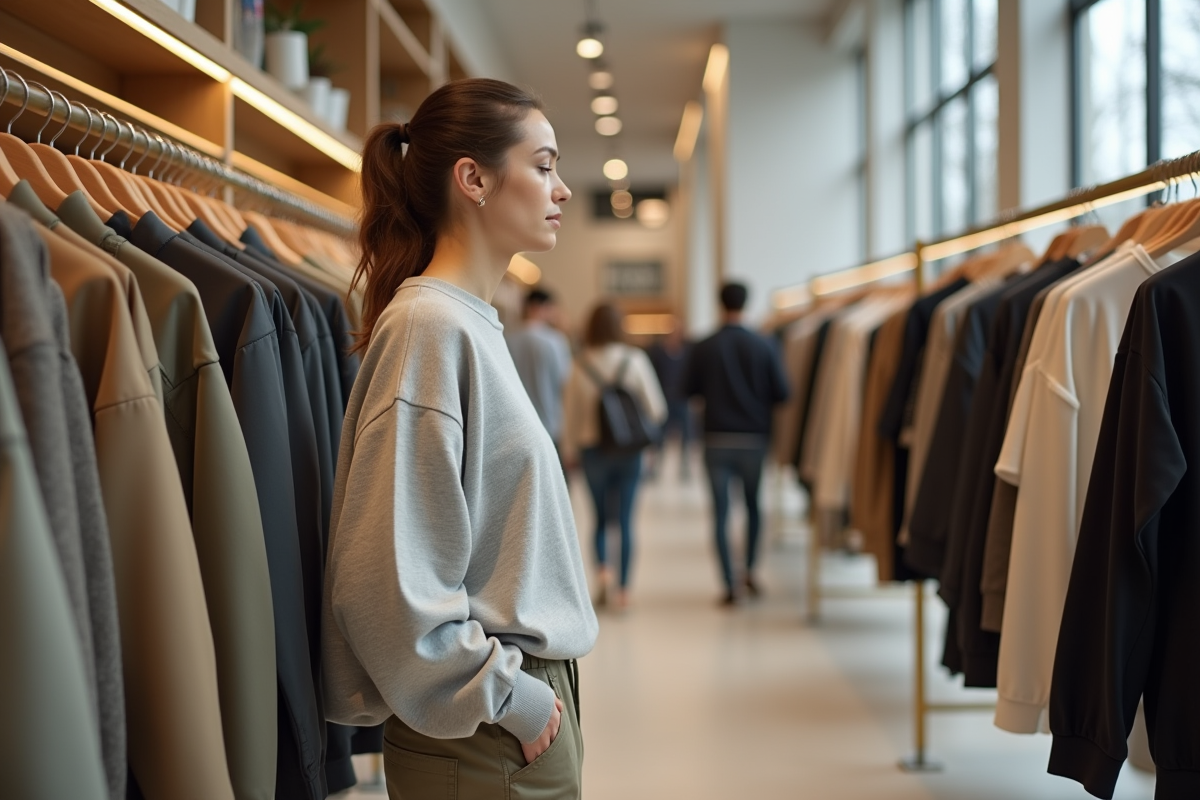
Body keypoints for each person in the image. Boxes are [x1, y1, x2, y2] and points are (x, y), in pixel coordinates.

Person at [321, 79, 598, 800]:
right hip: (486, 728)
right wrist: (514, 698)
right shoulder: (430, 329)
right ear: (473, 179)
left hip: (502, 713)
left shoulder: (466, 323)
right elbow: (385, 583)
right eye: (543, 165)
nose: (562, 189)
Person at [685, 283, 790, 606]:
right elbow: (783, 392)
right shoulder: (765, 344)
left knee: (720, 513)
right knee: (753, 507)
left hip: (716, 438)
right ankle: (750, 572)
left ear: (720, 304)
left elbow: (687, 390)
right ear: (747, 303)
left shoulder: (704, 346)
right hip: (754, 438)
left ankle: (729, 583)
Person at [563, 303, 667, 611]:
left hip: (592, 451)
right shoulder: (635, 360)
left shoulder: (579, 364)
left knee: (598, 519)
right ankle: (623, 592)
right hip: (629, 451)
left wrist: (569, 450)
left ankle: (603, 577)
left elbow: (570, 415)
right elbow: (657, 409)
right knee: (625, 520)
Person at [506, 288, 572, 452]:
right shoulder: (555, 340)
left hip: (516, 427)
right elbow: (565, 383)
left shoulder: (508, 339)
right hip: (550, 423)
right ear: (540, 307)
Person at [645, 326, 694, 479]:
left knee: (686, 435)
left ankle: (685, 467)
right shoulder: (658, 353)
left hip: (682, 399)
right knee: (660, 435)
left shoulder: (688, 352)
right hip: (664, 399)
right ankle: (656, 467)